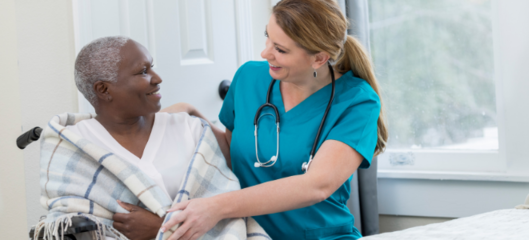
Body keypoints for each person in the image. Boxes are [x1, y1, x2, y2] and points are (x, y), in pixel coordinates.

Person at [161, 0, 388, 239]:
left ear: (319, 58)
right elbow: (231, 149)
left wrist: (216, 207)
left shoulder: (357, 101)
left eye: (280, 49)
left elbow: (317, 185)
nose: (265, 52)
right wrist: (194, 118)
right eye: (267, 37)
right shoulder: (248, 77)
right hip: (247, 234)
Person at [36, 36, 266, 240]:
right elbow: (73, 227)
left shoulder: (190, 129)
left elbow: (226, 214)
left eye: (152, 67)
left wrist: (161, 228)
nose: (157, 78)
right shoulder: (72, 145)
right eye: (143, 71)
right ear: (104, 90)